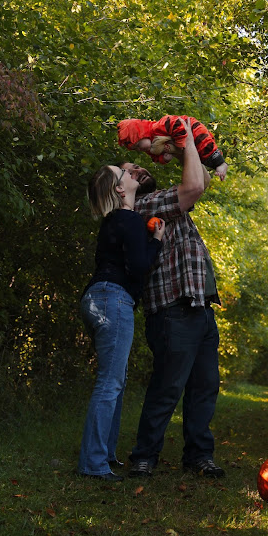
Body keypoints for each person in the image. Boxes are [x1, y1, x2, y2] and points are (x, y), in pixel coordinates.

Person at [119, 119, 225, 478]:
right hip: (172, 309)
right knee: (167, 387)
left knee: (204, 387)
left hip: (199, 306)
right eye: (130, 169)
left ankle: (198, 455)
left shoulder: (164, 199)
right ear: (120, 190)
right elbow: (196, 185)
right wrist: (187, 135)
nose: (139, 167)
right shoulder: (146, 206)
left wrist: (184, 149)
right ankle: (145, 456)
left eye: (138, 164)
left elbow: (202, 180)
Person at [78, 164, 165, 481]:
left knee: (115, 380)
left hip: (97, 298)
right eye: (125, 174)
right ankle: (93, 463)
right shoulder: (128, 219)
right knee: (110, 382)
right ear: (119, 189)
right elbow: (140, 266)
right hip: (113, 300)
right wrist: (156, 239)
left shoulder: (114, 221)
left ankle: (105, 455)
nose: (132, 174)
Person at [117, 114, 228, 181]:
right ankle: (215, 165)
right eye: (136, 149)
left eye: (138, 145)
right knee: (201, 158)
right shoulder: (150, 148)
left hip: (192, 129)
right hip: (185, 146)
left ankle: (220, 163)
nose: (139, 149)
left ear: (141, 134)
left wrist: (180, 144)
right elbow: (155, 158)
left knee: (205, 145)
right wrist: (164, 158)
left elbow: (176, 124)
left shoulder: (159, 126)